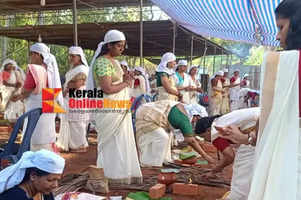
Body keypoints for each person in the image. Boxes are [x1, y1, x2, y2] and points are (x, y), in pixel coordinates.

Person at [247, 1, 301, 199]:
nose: (278, 36)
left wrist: (262, 168)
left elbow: (266, 125)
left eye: (281, 27)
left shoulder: (277, 61)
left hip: (288, 151)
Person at [86, 29, 142, 184]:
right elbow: (108, 88)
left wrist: (126, 78)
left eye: (123, 46)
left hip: (119, 107)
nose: (122, 49)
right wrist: (125, 83)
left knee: (121, 138)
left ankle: (121, 173)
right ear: (109, 45)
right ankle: (109, 174)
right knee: (111, 140)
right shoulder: (102, 62)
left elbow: (118, 82)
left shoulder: (115, 62)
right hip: (109, 106)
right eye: (119, 46)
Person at [12, 43, 62, 152]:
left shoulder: (35, 69)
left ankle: (35, 161)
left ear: (38, 54)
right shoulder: (50, 69)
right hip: (50, 99)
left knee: (35, 133)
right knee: (47, 132)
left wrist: (20, 95)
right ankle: (47, 159)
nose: (30, 57)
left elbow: (26, 90)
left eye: (31, 54)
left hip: (36, 104)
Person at [135, 100, 215, 167]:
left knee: (166, 140)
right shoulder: (184, 119)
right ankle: (153, 165)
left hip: (152, 114)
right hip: (147, 115)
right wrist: (206, 156)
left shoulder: (184, 112)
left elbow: (187, 138)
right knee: (162, 138)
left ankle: (161, 161)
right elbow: (191, 140)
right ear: (196, 116)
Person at [0, 150, 65, 200]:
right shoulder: (15, 197)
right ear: (33, 176)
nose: (55, 185)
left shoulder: (44, 191)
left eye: (57, 180)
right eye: (50, 180)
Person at [57, 46, 89, 153]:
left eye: (73, 56)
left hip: (77, 96)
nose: (70, 58)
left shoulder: (82, 69)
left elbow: (78, 83)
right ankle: (72, 144)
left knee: (77, 122)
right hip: (72, 96)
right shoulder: (74, 69)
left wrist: (67, 88)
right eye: (69, 56)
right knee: (72, 121)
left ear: (79, 57)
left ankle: (80, 145)